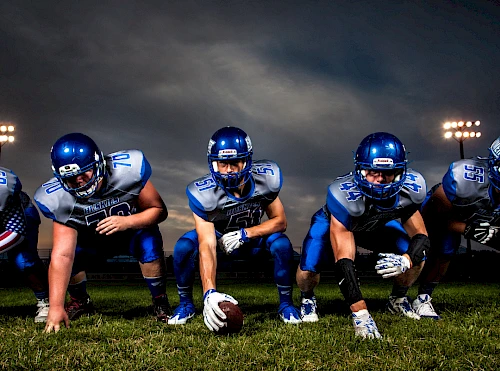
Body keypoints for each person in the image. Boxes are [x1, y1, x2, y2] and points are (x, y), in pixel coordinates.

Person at [296, 132, 429, 339]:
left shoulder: (411, 189)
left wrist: (407, 259)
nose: (380, 180)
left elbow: (421, 237)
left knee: (417, 255)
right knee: (308, 268)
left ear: (401, 172)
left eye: (388, 173)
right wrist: (361, 314)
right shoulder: (343, 195)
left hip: (376, 225)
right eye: (372, 172)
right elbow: (344, 261)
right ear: (360, 170)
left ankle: (397, 299)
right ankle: (307, 298)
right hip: (338, 222)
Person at [168, 126, 301, 330]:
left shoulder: (264, 180)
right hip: (219, 237)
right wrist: (209, 292)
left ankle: (286, 304)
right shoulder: (203, 193)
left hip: (253, 237)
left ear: (246, 161)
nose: (228, 170)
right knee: (183, 247)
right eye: (223, 164)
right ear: (214, 163)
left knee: (282, 244)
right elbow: (206, 243)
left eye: (234, 163)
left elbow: (280, 221)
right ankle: (186, 304)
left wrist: (246, 233)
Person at [34, 133, 170, 332]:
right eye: (71, 178)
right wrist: (55, 307)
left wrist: (128, 221)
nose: (80, 181)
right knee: (70, 256)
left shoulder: (128, 171)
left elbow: (159, 210)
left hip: (130, 232)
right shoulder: (57, 198)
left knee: (149, 242)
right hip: (92, 240)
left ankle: (160, 299)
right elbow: (63, 254)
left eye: (84, 174)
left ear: (98, 164)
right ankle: (80, 300)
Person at [417, 135, 500, 319]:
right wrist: (468, 229)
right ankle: (422, 298)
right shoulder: (465, 178)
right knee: (445, 247)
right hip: (448, 214)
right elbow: (434, 216)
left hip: (486, 218)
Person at [0, 166, 49, 322]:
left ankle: (45, 300)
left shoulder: (5, 191)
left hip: (16, 216)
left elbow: (15, 233)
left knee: (24, 260)